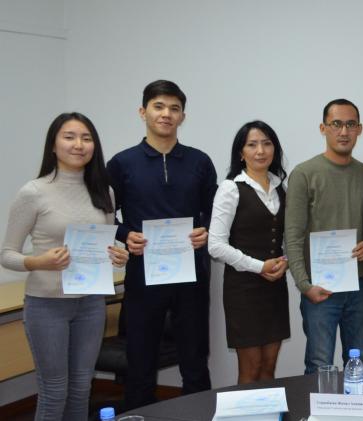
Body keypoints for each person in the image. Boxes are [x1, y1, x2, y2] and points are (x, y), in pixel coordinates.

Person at [1, 113, 128, 421]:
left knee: (82, 387)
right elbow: (6, 254)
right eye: (69, 137)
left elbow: (101, 244)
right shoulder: (34, 192)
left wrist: (117, 255)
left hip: (91, 304)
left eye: (86, 138)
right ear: (53, 145)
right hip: (47, 305)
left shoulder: (105, 192)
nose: (78, 145)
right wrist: (37, 261)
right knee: (55, 391)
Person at [107, 80, 218, 409]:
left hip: (191, 276)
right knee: (140, 362)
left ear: (183, 116)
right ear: (143, 112)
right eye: (158, 106)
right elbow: (103, 215)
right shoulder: (122, 163)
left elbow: (215, 212)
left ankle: (197, 415)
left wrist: (206, 231)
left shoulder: (200, 162)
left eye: (174, 108)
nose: (166, 114)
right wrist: (125, 234)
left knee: (195, 361)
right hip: (143, 275)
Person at [285, 99, 363, 374]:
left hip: (359, 285)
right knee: (319, 364)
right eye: (336, 124)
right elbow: (293, 235)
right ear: (323, 128)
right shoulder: (304, 174)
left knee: (359, 365)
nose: (344, 131)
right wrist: (304, 285)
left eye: (350, 124)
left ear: (359, 129)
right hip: (320, 288)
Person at [208, 121, 290, 384]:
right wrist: (259, 266)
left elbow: (288, 237)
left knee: (269, 367)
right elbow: (215, 245)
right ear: (241, 153)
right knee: (250, 368)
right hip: (243, 290)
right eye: (252, 145)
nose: (260, 151)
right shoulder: (230, 188)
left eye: (267, 143)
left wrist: (286, 261)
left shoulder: (281, 187)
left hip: (275, 288)